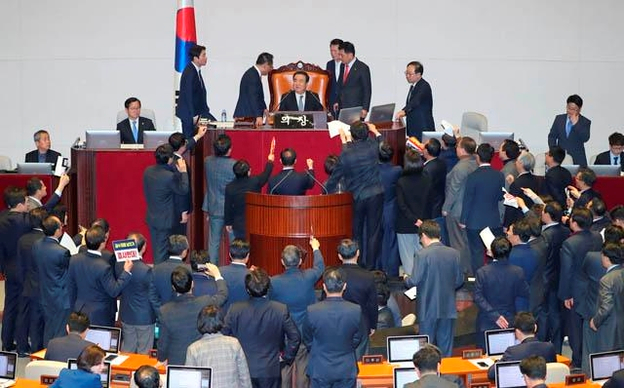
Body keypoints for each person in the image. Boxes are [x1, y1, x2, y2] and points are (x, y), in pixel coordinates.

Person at [223, 268, 300, 388]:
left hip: (242, 368)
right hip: (270, 369)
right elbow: (295, 337)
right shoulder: (280, 309)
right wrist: (286, 357)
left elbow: (224, 336)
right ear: (268, 288)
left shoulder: (235, 309)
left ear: (247, 290)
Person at [325, 122, 384, 269]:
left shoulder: (346, 154)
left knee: (356, 232)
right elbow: (382, 142)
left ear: (352, 134)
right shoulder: (373, 146)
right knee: (373, 233)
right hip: (376, 194)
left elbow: (335, 177)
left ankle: (356, 264)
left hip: (357, 197)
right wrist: (375, 130)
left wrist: (325, 191)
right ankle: (370, 267)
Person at [269, 238, 325, 388]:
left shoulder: (273, 282)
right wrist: (315, 248)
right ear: (300, 261)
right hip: (304, 333)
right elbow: (320, 267)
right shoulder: (308, 277)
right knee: (303, 369)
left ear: (282, 262)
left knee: (285, 369)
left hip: (285, 334)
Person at [404, 220, 463, 357]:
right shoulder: (454, 253)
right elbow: (459, 281)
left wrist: (405, 278)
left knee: (426, 352)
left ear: (423, 235)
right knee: (446, 351)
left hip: (427, 309)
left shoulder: (422, 255)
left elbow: (414, 280)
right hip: (448, 308)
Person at [558, 208, 603, 369]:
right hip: (595, 286)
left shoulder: (570, 243)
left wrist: (565, 295)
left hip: (575, 290)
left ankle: (577, 361)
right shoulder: (598, 237)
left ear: (575, 223)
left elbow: (566, 271)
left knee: (575, 327)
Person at [303, 267, 362, 388]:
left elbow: (307, 339)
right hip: (346, 368)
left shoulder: (312, 310)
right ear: (344, 286)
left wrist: (317, 348)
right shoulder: (355, 310)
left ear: (324, 287)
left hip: (320, 368)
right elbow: (357, 338)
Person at [157, 264, 228, 365]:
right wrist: (217, 275)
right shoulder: (204, 302)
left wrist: (161, 359)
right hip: (201, 361)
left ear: (173, 287)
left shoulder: (165, 311)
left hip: (178, 364)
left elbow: (163, 344)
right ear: (192, 284)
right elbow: (223, 294)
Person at [68, 225, 133, 326]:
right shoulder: (103, 266)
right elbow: (114, 291)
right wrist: (126, 272)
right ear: (103, 243)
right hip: (99, 315)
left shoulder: (74, 259)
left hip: (78, 310)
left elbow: (71, 287)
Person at [474, 236, 529, 349]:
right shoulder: (518, 272)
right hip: (509, 320)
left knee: (485, 358)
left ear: (491, 252)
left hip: (487, 321)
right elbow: (525, 292)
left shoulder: (482, 272)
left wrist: (495, 315)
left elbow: (478, 296)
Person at [461, 143, 505, 274]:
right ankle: (493, 278)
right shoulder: (499, 175)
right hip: (493, 221)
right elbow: (500, 197)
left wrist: (463, 220)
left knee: (476, 253)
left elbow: (467, 199)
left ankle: (478, 280)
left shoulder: (473, 176)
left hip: (474, 222)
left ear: (477, 157)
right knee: (494, 252)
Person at [114, 233, 160, 354]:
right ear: (144, 247)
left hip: (126, 315)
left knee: (127, 351)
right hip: (144, 319)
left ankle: (123, 373)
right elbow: (153, 296)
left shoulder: (119, 265)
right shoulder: (146, 270)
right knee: (144, 353)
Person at [143, 143, 189, 264]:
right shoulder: (169, 177)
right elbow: (183, 189)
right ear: (169, 159)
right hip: (165, 220)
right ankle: (159, 277)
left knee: (157, 249)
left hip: (152, 217)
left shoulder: (148, 171)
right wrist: (183, 172)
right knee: (161, 254)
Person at [186, 305, 251, 388]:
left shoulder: (193, 349)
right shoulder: (234, 344)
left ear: (200, 322)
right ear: (221, 321)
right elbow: (245, 378)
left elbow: (190, 383)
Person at [334, 239, 377, 359]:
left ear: (339, 256)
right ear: (358, 253)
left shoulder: (333, 275)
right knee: (360, 359)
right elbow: (372, 304)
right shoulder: (368, 276)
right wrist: (372, 325)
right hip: (361, 322)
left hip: (337, 321)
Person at [0, 186, 31, 352]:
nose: (28, 204)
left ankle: (6, 342)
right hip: (23, 270)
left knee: (9, 306)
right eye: (26, 201)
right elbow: (45, 211)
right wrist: (60, 188)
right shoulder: (25, 221)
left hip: (8, 270)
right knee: (23, 308)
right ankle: (21, 345)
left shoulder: (2, 218)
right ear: (20, 204)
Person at [442, 136, 478, 275]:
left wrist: (446, 208)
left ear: (462, 150)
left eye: (457, 146)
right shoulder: (474, 163)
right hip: (470, 209)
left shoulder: (460, 167)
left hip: (456, 210)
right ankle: (468, 271)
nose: (455, 148)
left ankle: (460, 273)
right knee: (467, 243)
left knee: (457, 244)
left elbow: (453, 190)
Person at [34, 215, 71, 346]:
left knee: (48, 330)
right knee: (60, 332)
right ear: (57, 230)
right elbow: (69, 272)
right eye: (61, 226)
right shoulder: (62, 252)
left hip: (45, 295)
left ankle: (46, 356)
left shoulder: (37, 245)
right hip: (61, 297)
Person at [487, 312, 556, 380]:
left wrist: (497, 362)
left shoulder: (513, 352)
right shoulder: (549, 347)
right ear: (535, 327)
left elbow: (491, 374)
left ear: (517, 332)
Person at [224, 147, 275, 239]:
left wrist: (228, 222)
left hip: (238, 224)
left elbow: (227, 206)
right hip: (256, 222)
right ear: (248, 172)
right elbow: (266, 174)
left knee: (240, 247)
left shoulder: (230, 187)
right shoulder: (255, 182)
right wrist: (270, 161)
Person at [540, 201, 570, 353]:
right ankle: (557, 349)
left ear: (548, 215)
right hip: (561, 278)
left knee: (545, 315)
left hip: (547, 279)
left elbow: (542, 259)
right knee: (557, 315)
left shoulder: (546, 235)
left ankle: (543, 347)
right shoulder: (566, 231)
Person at [17, 207, 48, 355]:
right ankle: (41, 350)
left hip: (27, 284)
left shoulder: (22, 239)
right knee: (43, 321)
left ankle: (32, 350)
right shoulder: (44, 241)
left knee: (30, 319)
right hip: (44, 287)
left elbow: (20, 264)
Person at [396, 149, 432, 275]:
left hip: (405, 224)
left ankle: (412, 286)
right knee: (422, 256)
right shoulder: (427, 179)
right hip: (423, 223)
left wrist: (414, 219)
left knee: (407, 258)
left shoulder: (401, 181)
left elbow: (402, 205)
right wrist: (420, 220)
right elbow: (430, 201)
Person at [202, 134, 236, 264]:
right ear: (229, 149)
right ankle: (235, 268)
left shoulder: (207, 161)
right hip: (230, 210)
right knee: (234, 244)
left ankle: (211, 271)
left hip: (214, 206)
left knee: (213, 244)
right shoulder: (234, 165)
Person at [590, 243, 624, 354]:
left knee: (608, 361)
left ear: (606, 258)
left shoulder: (607, 280)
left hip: (610, 328)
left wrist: (595, 321)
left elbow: (606, 307)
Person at [176, 44, 216, 139]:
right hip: (189, 114)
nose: (206, 58)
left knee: (214, 128)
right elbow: (188, 94)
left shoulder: (195, 70)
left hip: (199, 112)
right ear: (195, 58)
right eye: (203, 55)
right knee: (189, 141)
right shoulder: (190, 71)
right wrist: (193, 115)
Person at [378, 141, 402, 275]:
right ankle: (392, 271)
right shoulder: (397, 170)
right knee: (391, 241)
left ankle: (378, 268)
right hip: (391, 209)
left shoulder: (373, 170)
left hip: (376, 208)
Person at [394, 61, 434, 141]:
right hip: (414, 127)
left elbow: (415, 102)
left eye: (410, 74)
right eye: (406, 73)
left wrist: (403, 111)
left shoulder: (424, 86)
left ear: (418, 75)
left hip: (423, 127)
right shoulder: (413, 86)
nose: (407, 76)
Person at [548, 94, 591, 166]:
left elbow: (585, 138)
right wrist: (554, 151)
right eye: (569, 108)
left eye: (574, 109)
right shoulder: (559, 119)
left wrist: (576, 124)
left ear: (580, 109)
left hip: (578, 159)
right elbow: (552, 136)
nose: (570, 111)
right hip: (560, 158)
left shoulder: (585, 122)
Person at [233, 52, 274, 127]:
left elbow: (258, 96)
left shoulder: (254, 73)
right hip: (246, 117)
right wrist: (258, 115)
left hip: (249, 116)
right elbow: (253, 97)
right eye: (271, 66)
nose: (271, 68)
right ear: (265, 65)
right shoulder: (252, 76)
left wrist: (264, 108)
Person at [507, 219, 539, 311]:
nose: (507, 233)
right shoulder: (534, 252)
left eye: (510, 231)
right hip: (527, 298)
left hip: (512, 301)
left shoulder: (511, 256)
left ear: (517, 237)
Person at [336, 41, 371, 119]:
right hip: (342, 108)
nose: (340, 58)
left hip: (356, 108)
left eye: (342, 55)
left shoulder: (362, 68)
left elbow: (367, 90)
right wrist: (337, 100)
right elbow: (341, 85)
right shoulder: (342, 66)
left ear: (350, 55)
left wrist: (365, 109)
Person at [152, 235, 192, 304]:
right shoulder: (189, 269)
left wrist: (161, 312)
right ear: (184, 252)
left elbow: (152, 296)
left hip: (162, 312)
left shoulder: (155, 269)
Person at [219, 239, 251, 313]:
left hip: (222, 318)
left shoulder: (218, 272)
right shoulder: (252, 275)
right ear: (248, 256)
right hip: (244, 318)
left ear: (229, 254)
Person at [326, 38, 344, 118]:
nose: (333, 53)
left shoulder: (346, 65)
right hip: (332, 101)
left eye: (335, 51)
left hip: (344, 101)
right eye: (331, 51)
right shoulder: (329, 64)